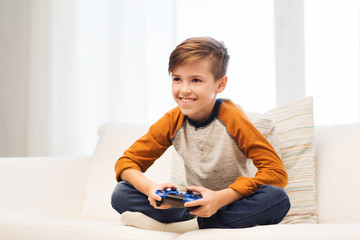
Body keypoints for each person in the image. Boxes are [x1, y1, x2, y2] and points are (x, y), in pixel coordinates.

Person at [111, 37, 290, 233]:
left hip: (230, 202)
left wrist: (221, 198)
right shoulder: (172, 120)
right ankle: (192, 222)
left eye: (196, 80)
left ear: (220, 84)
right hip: (191, 206)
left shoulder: (234, 119)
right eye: (177, 79)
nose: (184, 89)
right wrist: (151, 189)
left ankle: (186, 227)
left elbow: (276, 173)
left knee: (277, 198)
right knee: (121, 193)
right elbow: (126, 163)